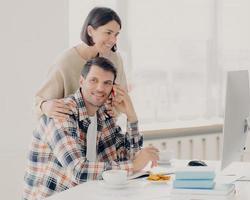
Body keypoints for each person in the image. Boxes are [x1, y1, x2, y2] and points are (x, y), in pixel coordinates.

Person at [23, 57, 159, 200]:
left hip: (88, 194)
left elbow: (128, 158)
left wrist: (131, 115)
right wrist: (133, 165)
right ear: (82, 81)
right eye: (94, 80)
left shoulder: (104, 115)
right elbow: (78, 171)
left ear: (113, 88)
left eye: (107, 83)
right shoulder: (62, 114)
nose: (100, 88)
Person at [35, 7, 128, 121]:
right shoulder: (65, 62)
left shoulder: (115, 59)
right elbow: (39, 101)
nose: (113, 40)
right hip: (70, 132)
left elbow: (122, 96)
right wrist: (44, 106)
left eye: (116, 34)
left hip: (102, 133)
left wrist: (116, 111)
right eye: (108, 33)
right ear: (90, 31)